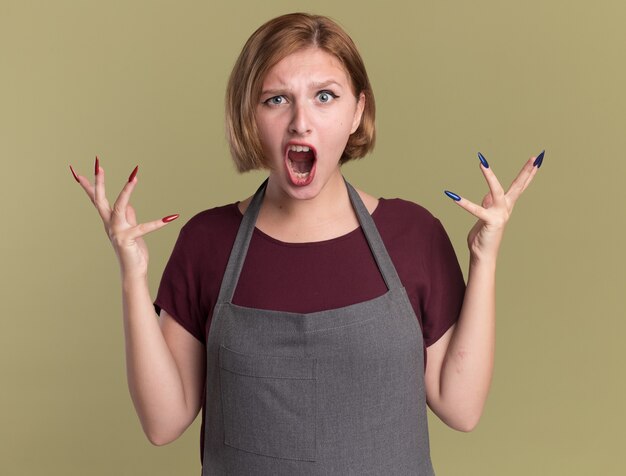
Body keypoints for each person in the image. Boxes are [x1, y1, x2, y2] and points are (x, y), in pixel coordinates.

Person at [70, 12, 544, 475]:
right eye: (276, 99)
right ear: (249, 116)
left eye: (324, 96)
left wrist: (484, 259)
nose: (301, 122)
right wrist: (132, 275)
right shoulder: (206, 242)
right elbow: (162, 423)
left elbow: (461, 408)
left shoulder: (414, 235)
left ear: (358, 111)